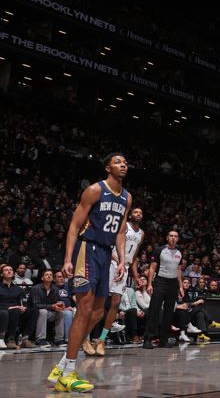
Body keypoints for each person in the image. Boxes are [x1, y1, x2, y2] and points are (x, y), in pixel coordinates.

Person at [49, 153, 132, 393]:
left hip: (106, 254)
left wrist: (123, 261)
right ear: (108, 167)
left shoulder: (127, 198)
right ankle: (68, 373)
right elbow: (74, 225)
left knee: (97, 311)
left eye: (125, 162)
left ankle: (63, 364)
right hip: (88, 249)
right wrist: (67, 258)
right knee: (84, 309)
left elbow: (120, 233)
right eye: (118, 162)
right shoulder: (95, 190)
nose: (123, 164)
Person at [93, 206, 144, 355]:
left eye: (140, 213)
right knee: (102, 300)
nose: (138, 214)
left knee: (116, 302)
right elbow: (110, 245)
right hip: (113, 262)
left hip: (125, 266)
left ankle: (102, 339)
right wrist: (119, 261)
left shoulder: (141, 233)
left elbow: (134, 257)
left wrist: (135, 276)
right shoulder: (123, 226)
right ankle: (88, 336)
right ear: (130, 215)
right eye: (135, 212)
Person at [143, 230, 184, 349]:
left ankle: (164, 339)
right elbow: (152, 268)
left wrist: (180, 286)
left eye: (175, 236)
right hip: (160, 282)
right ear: (167, 238)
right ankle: (148, 339)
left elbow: (179, 270)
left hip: (173, 284)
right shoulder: (159, 250)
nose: (173, 238)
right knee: (154, 311)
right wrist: (150, 284)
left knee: (168, 313)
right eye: (171, 235)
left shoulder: (179, 253)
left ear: (177, 239)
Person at [30, 269, 66, 347]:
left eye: (50, 275)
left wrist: (59, 305)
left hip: (49, 312)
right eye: (47, 274)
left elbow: (56, 302)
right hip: (34, 313)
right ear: (42, 278)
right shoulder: (36, 288)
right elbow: (36, 305)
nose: (49, 276)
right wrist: (52, 306)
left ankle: (59, 339)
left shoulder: (55, 289)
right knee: (43, 311)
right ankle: (40, 339)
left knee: (61, 312)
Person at [1, 262, 26, 349]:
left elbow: (22, 302)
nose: (9, 271)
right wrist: (9, 307)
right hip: (2, 310)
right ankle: (5, 338)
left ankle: (25, 338)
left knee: (34, 310)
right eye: (6, 270)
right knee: (6, 312)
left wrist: (23, 307)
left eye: (11, 270)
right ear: (1, 274)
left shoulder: (18, 289)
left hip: (15, 310)